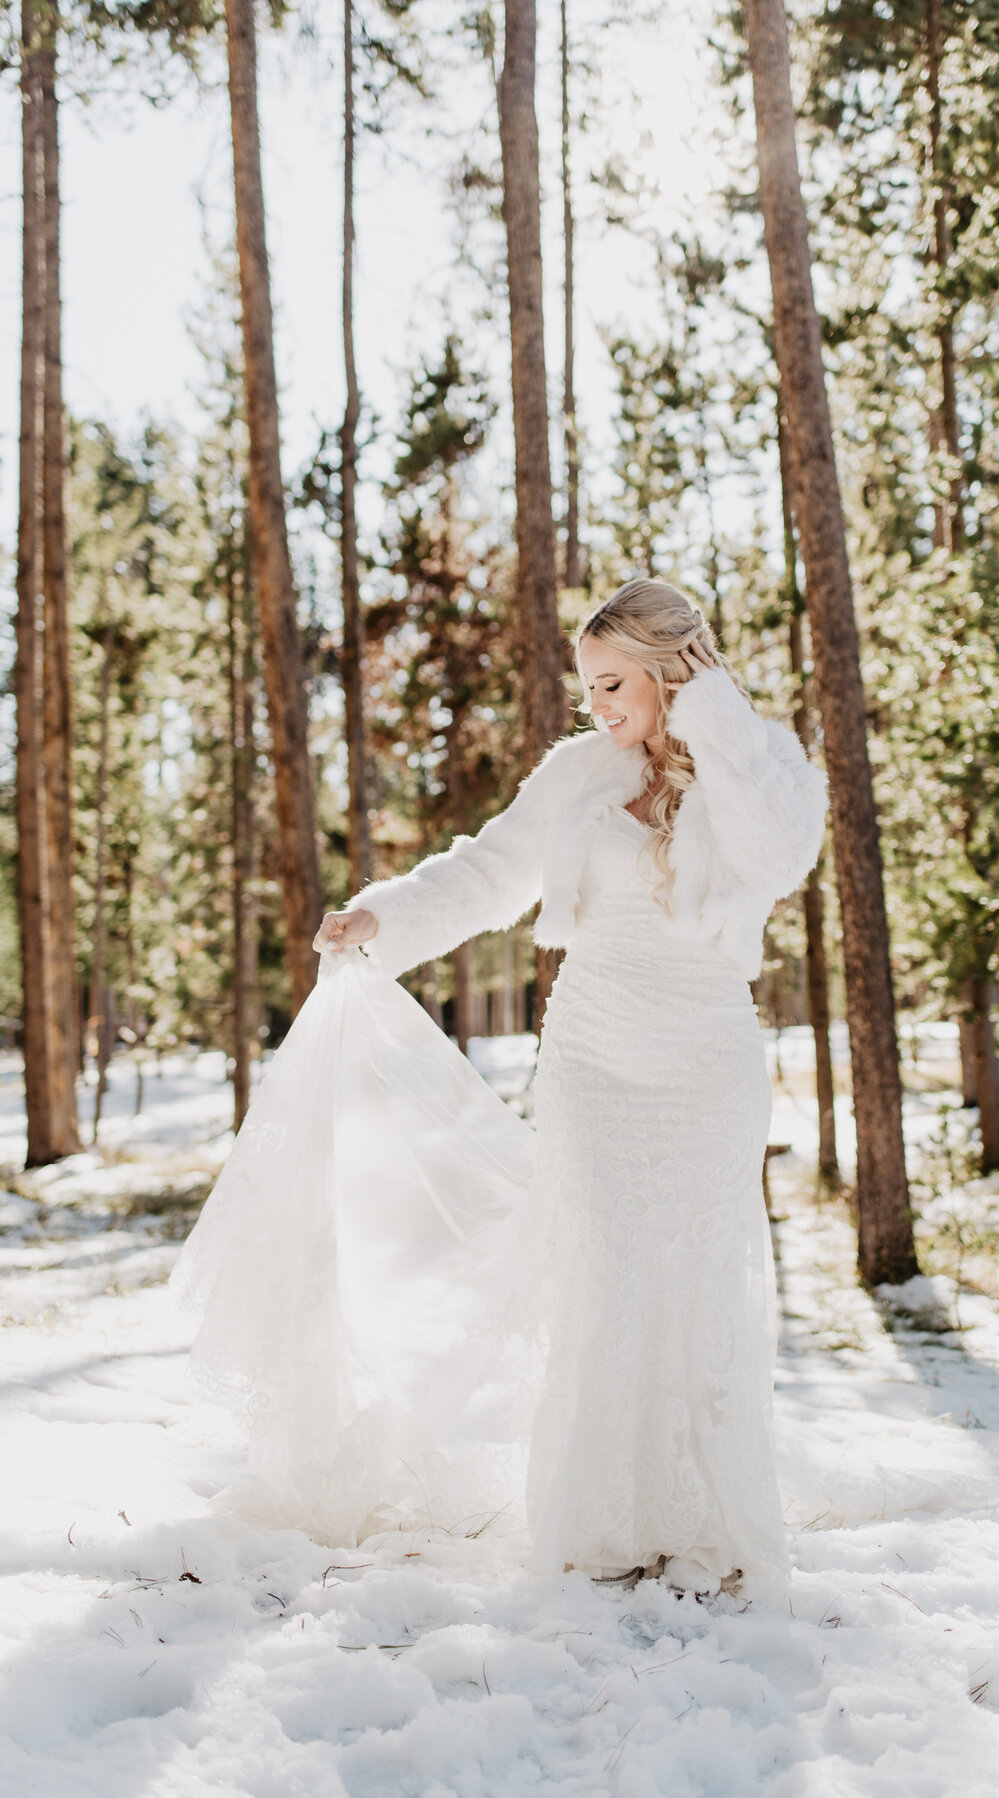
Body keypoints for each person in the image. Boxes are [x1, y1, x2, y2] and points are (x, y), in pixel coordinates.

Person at [174, 577, 826, 1596]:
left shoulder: (760, 766)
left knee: (695, 1279)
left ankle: (702, 1516)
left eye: (615, 683)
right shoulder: (577, 775)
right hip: (594, 1058)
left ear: (670, 672)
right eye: (588, 688)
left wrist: (712, 716)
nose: (599, 706)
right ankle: (600, 1521)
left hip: (707, 1059)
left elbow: (779, 856)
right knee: (605, 1275)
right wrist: (380, 920)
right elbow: (484, 873)